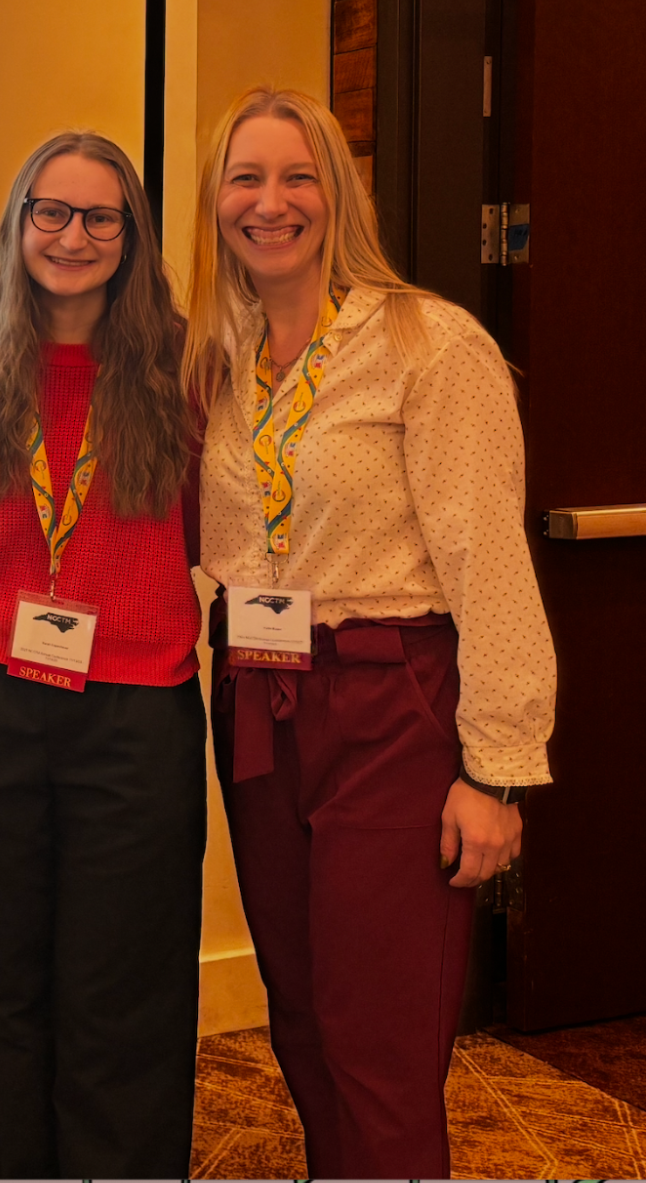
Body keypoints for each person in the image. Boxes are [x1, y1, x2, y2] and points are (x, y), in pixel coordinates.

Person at [185, 87, 556, 1179]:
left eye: (297, 177)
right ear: (215, 204)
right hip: (256, 697)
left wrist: (495, 773)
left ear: (337, 196)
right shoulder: (220, 356)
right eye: (245, 179)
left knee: (379, 1037)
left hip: (389, 701)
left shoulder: (428, 345)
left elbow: (487, 560)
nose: (270, 203)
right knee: (299, 1017)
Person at [0, 131, 205, 1177]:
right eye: (50, 214)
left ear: (130, 237)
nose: (72, 237)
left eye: (98, 217)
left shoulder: (183, 373)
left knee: (127, 1000)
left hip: (136, 722)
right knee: (1, 993)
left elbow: (227, 536)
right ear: (18, 226)